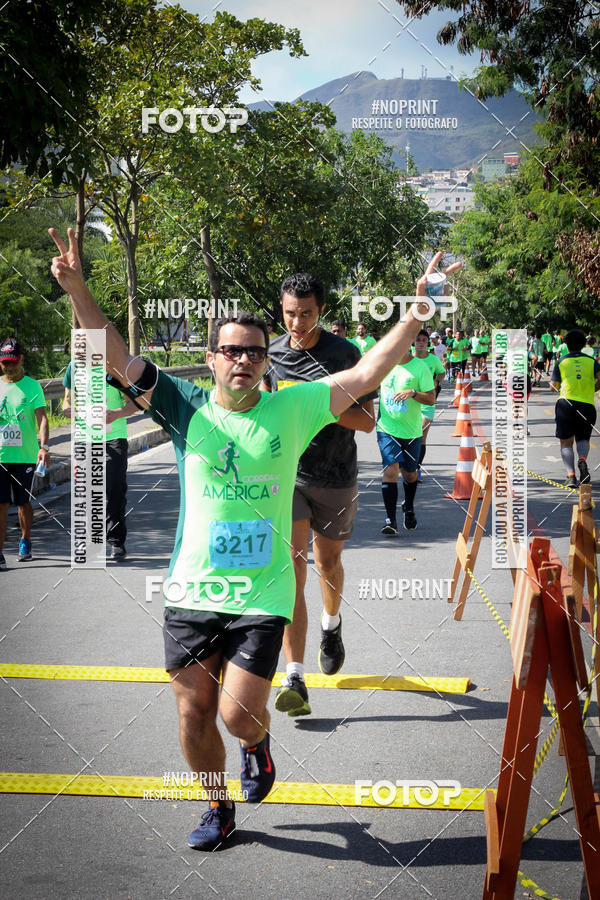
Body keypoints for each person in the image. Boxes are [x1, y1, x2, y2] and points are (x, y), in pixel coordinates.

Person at [49, 226, 451, 851]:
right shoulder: (181, 405)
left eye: (255, 353)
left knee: (237, 714)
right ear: (211, 358)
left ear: (267, 362)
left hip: (262, 594)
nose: (243, 360)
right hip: (192, 592)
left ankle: (256, 743)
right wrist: (77, 288)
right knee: (193, 712)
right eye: (232, 351)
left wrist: (417, 311)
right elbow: (114, 353)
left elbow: (370, 368)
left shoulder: (293, 407)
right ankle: (217, 806)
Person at [263, 273, 377, 718]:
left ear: (322, 310)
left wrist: (316, 405)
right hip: (287, 476)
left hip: (336, 476)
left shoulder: (344, 354)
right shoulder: (271, 354)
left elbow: (367, 421)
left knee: (328, 564)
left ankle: (331, 624)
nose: (297, 323)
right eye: (290, 313)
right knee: (292, 569)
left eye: (306, 313)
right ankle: (294, 676)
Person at [62, 361, 138, 559]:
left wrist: (117, 413)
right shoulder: (74, 367)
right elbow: (66, 401)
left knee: (114, 488)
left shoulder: (115, 365)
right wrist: (68, 410)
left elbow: (135, 403)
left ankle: (116, 541)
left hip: (113, 436)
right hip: (85, 438)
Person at [0, 338, 49, 569]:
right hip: (1, 456)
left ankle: (25, 539)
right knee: (1, 503)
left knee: (22, 502)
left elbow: (43, 419)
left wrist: (44, 447)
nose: (9, 367)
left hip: (25, 456)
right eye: (5, 363)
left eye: (13, 362)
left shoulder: (32, 386)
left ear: (20, 360)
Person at [378, 335, 435, 533]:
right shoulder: (383, 365)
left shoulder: (420, 367)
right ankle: (390, 521)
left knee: (410, 474)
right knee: (390, 470)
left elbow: (431, 399)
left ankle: (408, 507)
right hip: (386, 428)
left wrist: (413, 393)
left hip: (411, 431)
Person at [549, 329, 600, 487]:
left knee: (566, 442)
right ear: (583, 344)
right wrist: (593, 388)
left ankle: (571, 476)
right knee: (583, 438)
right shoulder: (592, 362)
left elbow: (553, 387)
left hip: (566, 404)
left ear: (567, 345)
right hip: (587, 405)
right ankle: (582, 460)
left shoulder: (561, 361)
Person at [413, 329, 445, 482]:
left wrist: (437, 382)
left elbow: (441, 372)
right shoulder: (408, 358)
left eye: (424, 340)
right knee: (410, 436)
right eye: (418, 340)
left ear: (428, 343)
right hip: (410, 403)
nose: (421, 343)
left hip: (427, 402)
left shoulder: (433, 359)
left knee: (420, 436)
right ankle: (408, 466)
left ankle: (416, 469)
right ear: (413, 342)